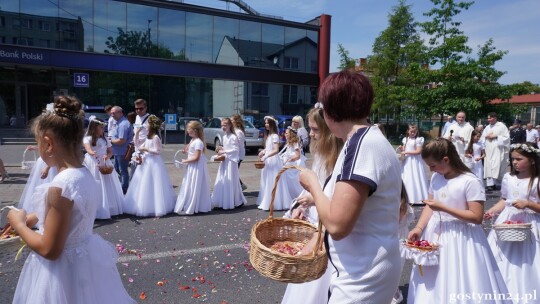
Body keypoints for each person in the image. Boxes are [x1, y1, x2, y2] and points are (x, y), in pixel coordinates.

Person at [7, 96, 135, 304]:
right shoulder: (84, 174)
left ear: (48, 143)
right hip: (84, 264)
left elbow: (50, 249)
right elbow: (73, 214)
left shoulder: (60, 186)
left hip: (61, 273)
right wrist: (35, 217)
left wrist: (19, 224)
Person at [298, 71, 402, 303]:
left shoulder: (361, 145)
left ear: (331, 111)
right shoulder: (370, 140)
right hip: (371, 267)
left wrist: (313, 184)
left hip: (363, 275)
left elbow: (338, 224)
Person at [407, 138, 508, 303]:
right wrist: (419, 227)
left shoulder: (470, 181)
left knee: (459, 275)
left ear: (446, 159)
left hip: (462, 237)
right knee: (434, 279)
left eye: (432, 165)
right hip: (436, 233)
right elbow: (430, 206)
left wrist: (444, 208)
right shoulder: (436, 178)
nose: (431, 170)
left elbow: (476, 217)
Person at [281, 105, 343, 304]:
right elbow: (310, 188)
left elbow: (338, 200)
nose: (311, 134)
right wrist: (301, 206)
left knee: (319, 282)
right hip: (316, 221)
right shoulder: (319, 156)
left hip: (327, 227)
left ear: (328, 131)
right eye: (310, 129)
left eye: (315, 129)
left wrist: (314, 199)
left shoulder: (338, 161)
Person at [485, 143, 540, 299]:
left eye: (518, 159)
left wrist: (528, 204)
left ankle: (527, 290)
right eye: (512, 159)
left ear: (532, 160)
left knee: (527, 259)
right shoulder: (509, 177)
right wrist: (492, 210)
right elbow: (505, 200)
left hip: (530, 223)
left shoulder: (536, 181)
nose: (514, 162)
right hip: (508, 221)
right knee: (501, 256)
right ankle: (500, 289)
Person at [124, 115, 175, 217]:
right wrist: (137, 133)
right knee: (144, 183)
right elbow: (137, 146)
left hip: (154, 162)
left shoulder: (155, 137)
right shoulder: (148, 137)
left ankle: (156, 206)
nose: (146, 125)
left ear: (151, 125)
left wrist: (146, 150)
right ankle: (145, 204)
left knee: (154, 183)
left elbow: (157, 151)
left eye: (147, 123)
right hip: (146, 161)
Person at [82, 117, 124, 219]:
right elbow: (88, 150)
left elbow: (110, 152)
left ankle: (109, 206)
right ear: (95, 128)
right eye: (101, 127)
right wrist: (93, 153)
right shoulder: (88, 138)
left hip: (105, 162)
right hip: (93, 162)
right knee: (95, 183)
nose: (103, 129)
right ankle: (95, 208)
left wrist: (107, 156)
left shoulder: (105, 139)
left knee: (107, 184)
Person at [174, 121, 212, 215]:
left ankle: (193, 205)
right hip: (193, 166)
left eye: (189, 129)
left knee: (194, 185)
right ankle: (194, 204)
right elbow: (189, 149)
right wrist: (185, 150)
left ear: (194, 130)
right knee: (191, 185)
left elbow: (196, 157)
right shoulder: (193, 140)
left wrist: (184, 161)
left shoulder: (198, 142)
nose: (187, 131)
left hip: (196, 167)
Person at [211, 118, 246, 209]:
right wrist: (220, 149)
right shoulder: (224, 136)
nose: (223, 127)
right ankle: (221, 201)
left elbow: (235, 150)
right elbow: (226, 148)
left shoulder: (233, 137)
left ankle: (236, 201)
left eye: (225, 125)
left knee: (230, 180)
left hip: (231, 162)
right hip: (225, 161)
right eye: (222, 125)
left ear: (230, 125)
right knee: (223, 179)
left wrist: (224, 151)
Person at [272, 126, 306, 210]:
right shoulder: (288, 144)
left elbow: (297, 156)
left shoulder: (295, 143)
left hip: (293, 164)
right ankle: (289, 197)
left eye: (286, 133)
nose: (285, 134)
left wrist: (290, 159)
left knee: (289, 179)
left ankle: (297, 196)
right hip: (288, 163)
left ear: (290, 134)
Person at [18, 146, 58, 211]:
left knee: (48, 184)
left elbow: (55, 152)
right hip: (43, 162)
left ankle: (47, 207)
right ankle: (40, 206)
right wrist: (36, 148)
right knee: (38, 184)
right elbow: (47, 148)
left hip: (50, 163)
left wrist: (47, 167)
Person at [398, 124, 429, 205]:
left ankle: (417, 197)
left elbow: (418, 151)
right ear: (408, 131)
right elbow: (405, 149)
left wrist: (407, 152)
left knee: (415, 176)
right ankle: (405, 197)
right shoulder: (405, 139)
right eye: (411, 131)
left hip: (415, 161)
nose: (412, 133)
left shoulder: (418, 140)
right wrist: (402, 149)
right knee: (407, 177)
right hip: (407, 161)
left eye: (414, 132)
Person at [256, 116, 283, 210]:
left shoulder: (275, 136)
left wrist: (266, 155)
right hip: (267, 160)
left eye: (267, 123)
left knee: (271, 180)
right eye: (265, 123)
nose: (266, 125)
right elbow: (269, 148)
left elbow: (276, 150)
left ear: (272, 124)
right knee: (266, 180)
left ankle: (272, 202)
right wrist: (263, 151)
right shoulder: (269, 136)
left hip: (273, 161)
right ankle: (266, 200)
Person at [481, 112, 510, 191]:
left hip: (498, 149)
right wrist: (486, 137)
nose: (489, 120)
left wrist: (496, 136)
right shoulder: (487, 127)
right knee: (488, 166)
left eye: (490, 118)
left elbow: (507, 138)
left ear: (495, 118)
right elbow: (482, 138)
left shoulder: (501, 126)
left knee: (497, 165)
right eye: (488, 118)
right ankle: (490, 184)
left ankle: (498, 183)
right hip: (488, 149)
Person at [109, 106, 132, 194]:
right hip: (118, 152)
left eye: (114, 113)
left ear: (120, 113)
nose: (112, 115)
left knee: (122, 171)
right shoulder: (119, 122)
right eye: (111, 113)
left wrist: (110, 140)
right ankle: (123, 185)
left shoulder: (123, 124)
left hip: (122, 152)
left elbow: (122, 140)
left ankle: (124, 189)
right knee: (117, 169)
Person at [131, 99, 151, 173]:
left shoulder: (151, 118)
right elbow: (136, 129)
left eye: (141, 108)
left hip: (146, 150)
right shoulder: (137, 117)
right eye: (136, 109)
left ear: (145, 108)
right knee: (136, 172)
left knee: (145, 171)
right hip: (137, 149)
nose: (138, 110)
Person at [231, 114, 247, 190]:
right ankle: (240, 185)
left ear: (236, 121)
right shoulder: (234, 131)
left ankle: (240, 186)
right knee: (234, 172)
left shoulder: (238, 132)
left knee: (233, 172)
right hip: (234, 155)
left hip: (238, 156)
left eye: (232, 120)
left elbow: (239, 146)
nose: (230, 122)